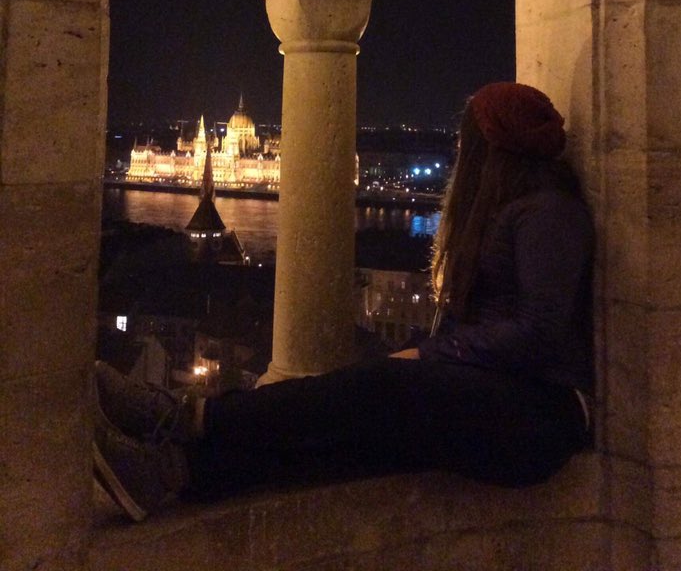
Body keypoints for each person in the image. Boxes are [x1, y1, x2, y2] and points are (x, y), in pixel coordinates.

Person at [93, 82, 594, 521]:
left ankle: (186, 417)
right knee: (352, 442)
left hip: (540, 413)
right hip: (498, 395)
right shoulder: (513, 211)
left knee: (374, 386)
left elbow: (540, 332)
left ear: (492, 150)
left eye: (468, 140)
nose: (460, 151)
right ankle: (171, 471)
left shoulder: (548, 212)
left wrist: (429, 354)